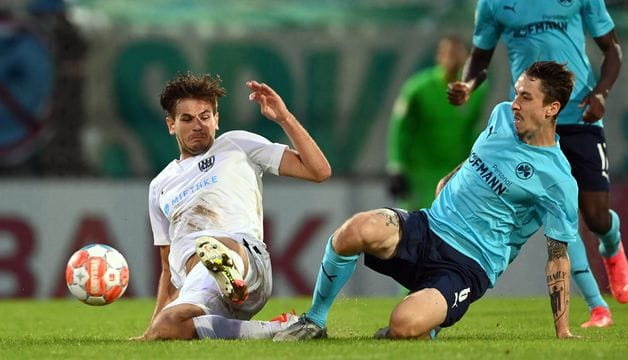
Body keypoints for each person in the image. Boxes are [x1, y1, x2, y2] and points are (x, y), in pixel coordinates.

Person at [275, 61, 579, 341]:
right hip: (429, 226)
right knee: (355, 230)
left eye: (526, 97)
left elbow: (558, 256)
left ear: (551, 108)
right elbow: (482, 155)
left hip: (467, 265)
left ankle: (424, 322)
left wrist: (562, 330)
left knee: (404, 324)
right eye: (516, 94)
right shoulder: (501, 116)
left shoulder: (557, 178)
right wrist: (451, 177)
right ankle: (314, 321)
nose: (514, 104)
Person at [446, 0, 628, 327]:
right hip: (529, 124)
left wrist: (601, 93)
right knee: (558, 215)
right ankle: (596, 306)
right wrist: (468, 85)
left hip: (580, 115)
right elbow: (480, 56)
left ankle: (612, 245)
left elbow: (613, 50)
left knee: (595, 215)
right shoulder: (492, 4)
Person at [132, 73, 331, 340]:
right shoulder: (160, 186)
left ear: (217, 120)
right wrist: (151, 331)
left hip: (247, 259)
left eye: (205, 116)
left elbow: (319, 171)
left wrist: (284, 117)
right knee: (168, 328)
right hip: (195, 284)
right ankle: (283, 327)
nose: (198, 125)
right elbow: (168, 269)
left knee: (215, 245)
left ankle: (225, 266)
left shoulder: (237, 144)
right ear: (171, 124)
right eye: (187, 119)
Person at [387, 35, 487, 210]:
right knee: (417, 227)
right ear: (438, 56)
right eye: (446, 52)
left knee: (453, 227)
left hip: (456, 173)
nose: (451, 57)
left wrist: (477, 167)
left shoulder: (476, 91)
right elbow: (400, 130)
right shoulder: (417, 88)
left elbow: (473, 130)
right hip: (420, 174)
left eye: (456, 52)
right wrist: (396, 166)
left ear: (466, 57)